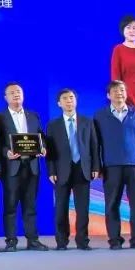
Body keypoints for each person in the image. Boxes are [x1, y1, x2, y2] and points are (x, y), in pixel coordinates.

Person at [93, 80, 135, 250]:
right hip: (111, 167)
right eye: (115, 91)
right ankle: (114, 240)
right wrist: (97, 167)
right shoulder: (100, 116)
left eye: (122, 90)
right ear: (108, 95)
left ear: (126, 94)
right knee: (112, 205)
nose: (119, 93)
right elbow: (95, 144)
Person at [45, 89, 99, 250]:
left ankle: (82, 241)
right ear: (59, 103)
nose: (69, 101)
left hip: (83, 169)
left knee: (82, 209)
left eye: (71, 97)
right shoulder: (53, 125)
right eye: (65, 98)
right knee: (61, 208)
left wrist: (95, 166)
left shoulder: (87, 122)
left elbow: (94, 146)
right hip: (61, 170)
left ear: (76, 100)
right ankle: (61, 241)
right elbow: (50, 151)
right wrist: (51, 171)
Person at [0, 83, 47, 251]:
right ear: (5, 98)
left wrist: (43, 147)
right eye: (11, 93)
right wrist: (6, 152)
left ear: (23, 95)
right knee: (10, 206)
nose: (16, 94)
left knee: (30, 205)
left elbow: (41, 137)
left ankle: (33, 240)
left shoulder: (33, 116)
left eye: (18, 91)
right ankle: (11, 241)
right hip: (12, 168)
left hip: (32, 167)